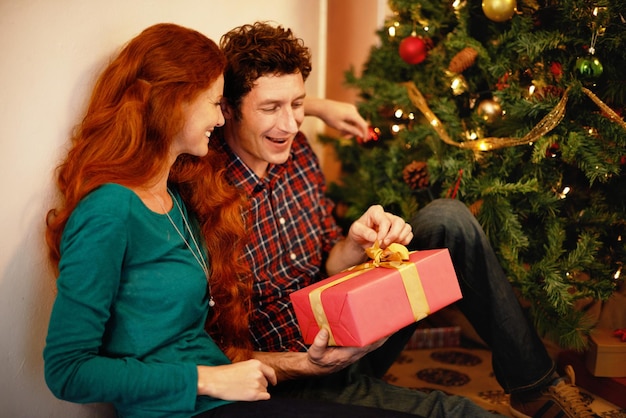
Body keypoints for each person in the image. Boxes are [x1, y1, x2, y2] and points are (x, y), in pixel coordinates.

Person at [210, 21, 598, 418]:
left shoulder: (297, 151)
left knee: (448, 218)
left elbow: (327, 261)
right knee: (459, 412)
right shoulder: (202, 190)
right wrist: (303, 364)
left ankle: (536, 386)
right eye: (271, 108)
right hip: (295, 376)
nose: (291, 124)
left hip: (346, 331)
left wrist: (356, 243)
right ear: (226, 109)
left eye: (297, 105)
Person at [42, 22, 422, 418]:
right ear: (173, 106)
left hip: (244, 385)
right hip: (203, 401)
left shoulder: (175, 194)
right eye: (213, 104)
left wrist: (319, 107)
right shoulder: (110, 209)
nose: (220, 119)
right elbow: (67, 371)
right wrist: (208, 380)